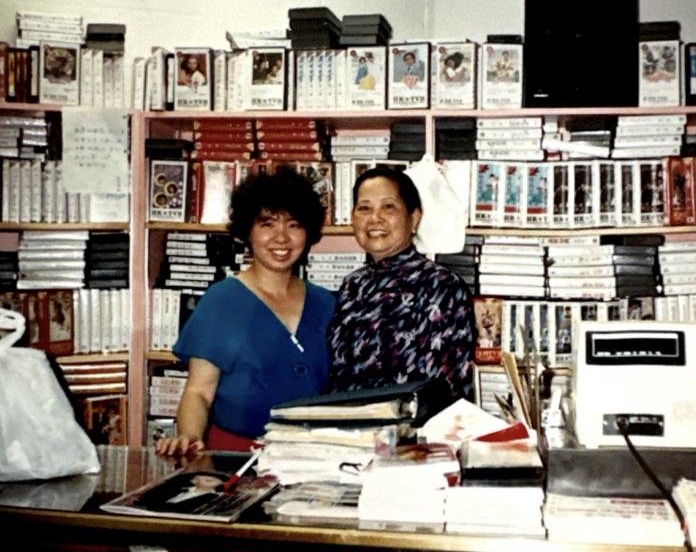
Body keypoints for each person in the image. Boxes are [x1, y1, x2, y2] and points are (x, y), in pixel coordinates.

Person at [156, 170, 334, 455]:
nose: (281, 238)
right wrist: (189, 438)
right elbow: (199, 392)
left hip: (313, 456)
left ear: (308, 232)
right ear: (248, 231)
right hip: (236, 456)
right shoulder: (221, 301)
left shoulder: (326, 303)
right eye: (267, 224)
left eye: (294, 225)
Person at [327, 169, 476, 399]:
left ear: (414, 218)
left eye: (388, 207)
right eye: (364, 208)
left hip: (412, 430)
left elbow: (445, 388)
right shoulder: (352, 286)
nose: (375, 218)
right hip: (348, 428)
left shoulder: (442, 286)